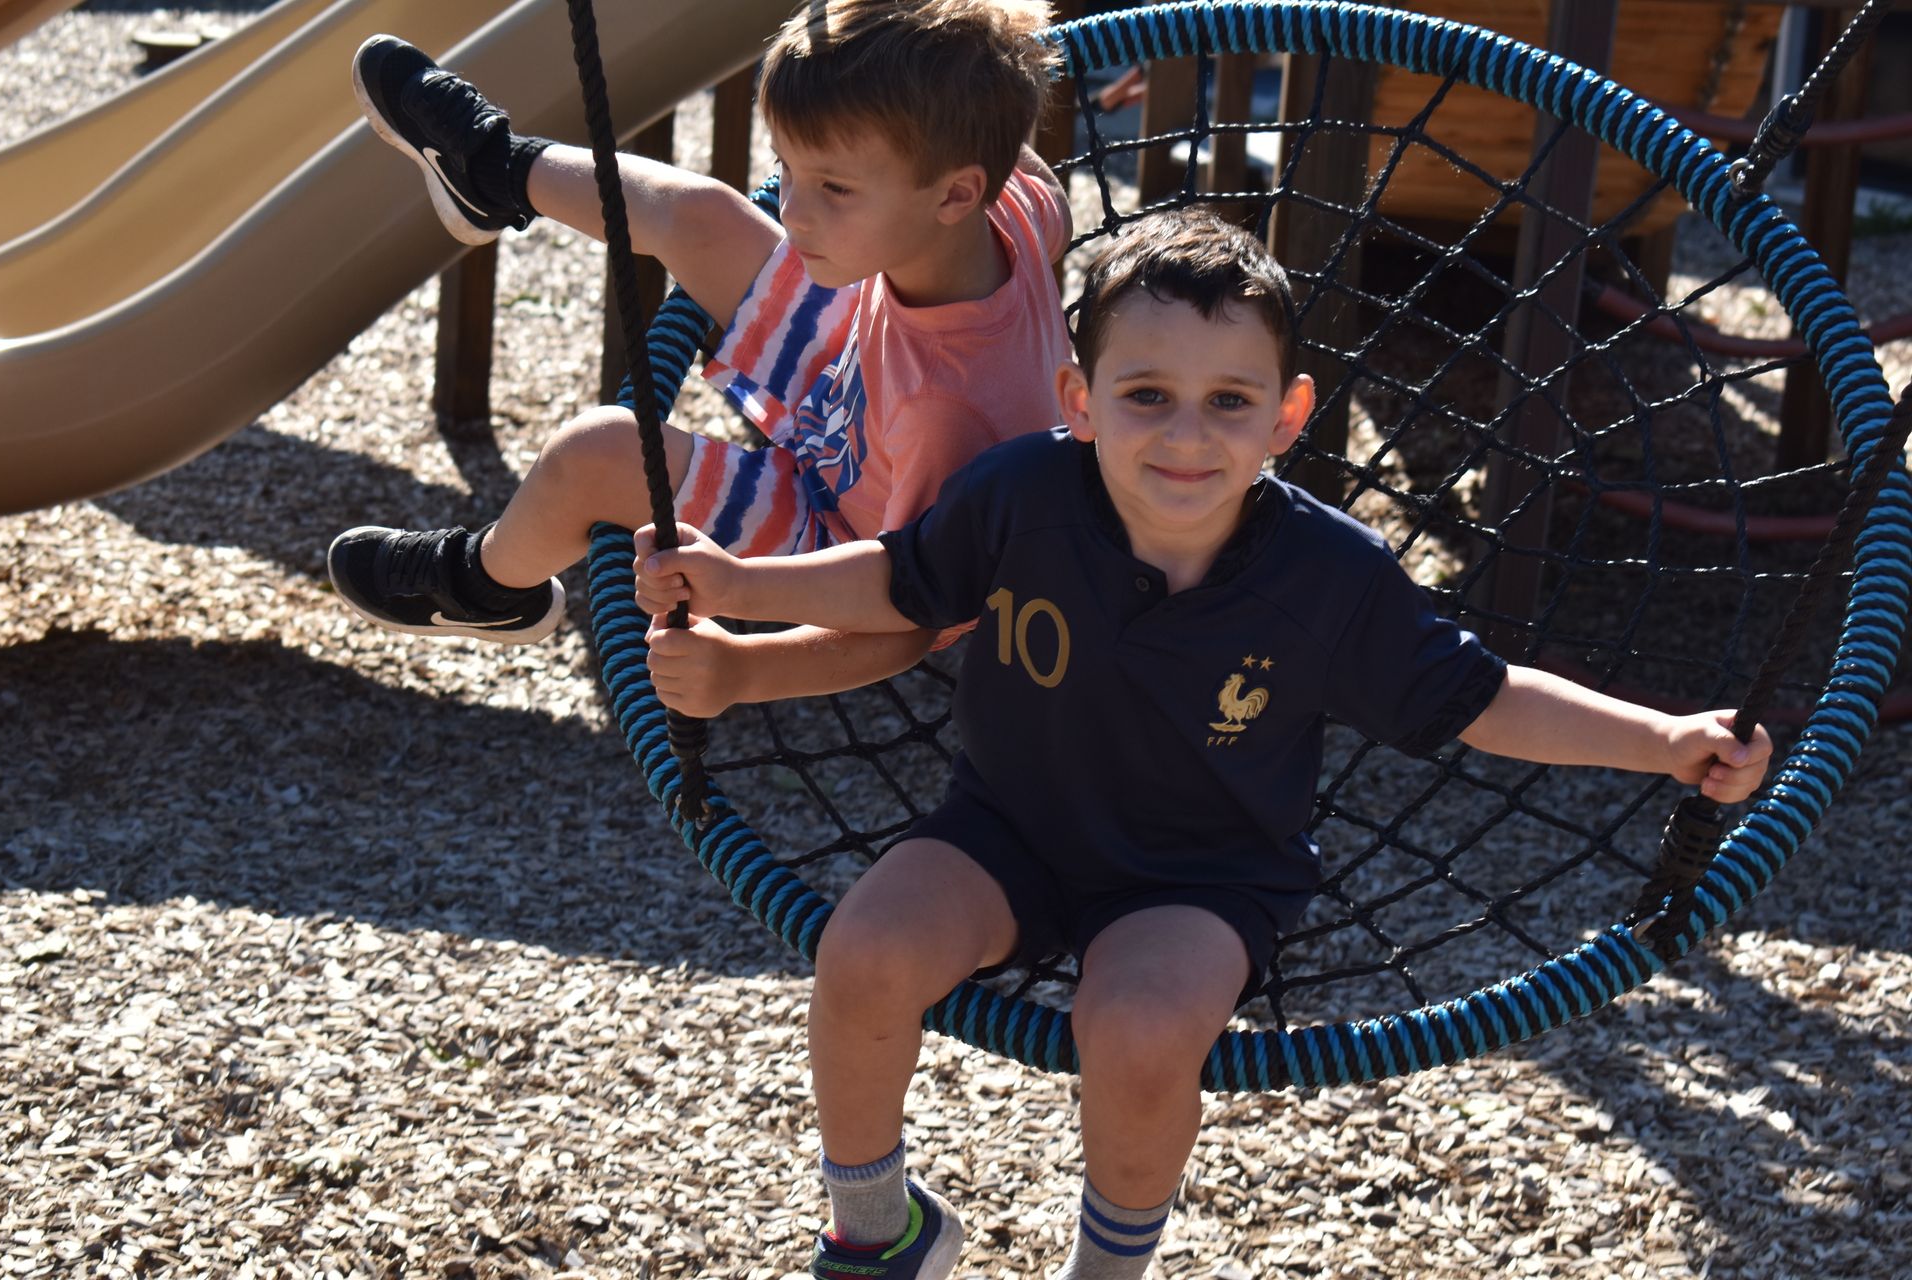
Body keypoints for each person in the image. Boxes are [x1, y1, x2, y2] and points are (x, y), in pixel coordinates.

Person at [630, 209, 1776, 1280]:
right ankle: (881, 1227)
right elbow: (896, 578)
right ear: (1078, 399)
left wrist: (1664, 740)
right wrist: (739, 587)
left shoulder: (1329, 577)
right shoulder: (1021, 491)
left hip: (1203, 874)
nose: (1187, 435)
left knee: (1135, 1029)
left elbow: (1481, 698)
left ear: (1289, 414)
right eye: (1147, 394)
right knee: (863, 949)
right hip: (1003, 825)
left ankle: (1108, 1267)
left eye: (1231, 401)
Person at [328, 0, 1071, 711]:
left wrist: (743, 670)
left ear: (954, 195)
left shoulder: (950, 415)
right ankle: (493, 169)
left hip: (845, 530)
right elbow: (1019, 166)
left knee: (598, 452)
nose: (794, 209)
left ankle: (487, 586)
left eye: (834, 188)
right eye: (791, 168)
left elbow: (911, 615)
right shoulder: (1010, 206)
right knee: (702, 217)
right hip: (857, 388)